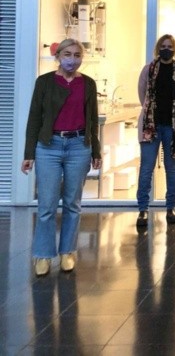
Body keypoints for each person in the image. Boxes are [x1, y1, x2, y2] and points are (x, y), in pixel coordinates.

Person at [22, 38, 102, 276]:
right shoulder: (44, 82)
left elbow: (92, 119)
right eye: (67, 54)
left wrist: (95, 150)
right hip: (49, 146)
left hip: (78, 146)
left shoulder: (88, 84)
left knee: (72, 203)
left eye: (77, 55)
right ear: (58, 56)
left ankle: (68, 252)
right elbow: (34, 118)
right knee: (46, 204)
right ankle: (43, 255)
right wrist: (29, 153)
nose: (72, 60)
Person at [136, 34, 175, 228]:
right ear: (158, 49)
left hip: (173, 128)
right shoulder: (148, 70)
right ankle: (142, 209)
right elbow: (142, 95)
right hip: (151, 127)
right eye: (163, 46)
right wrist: (150, 113)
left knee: (172, 169)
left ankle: (170, 208)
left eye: (169, 46)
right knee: (146, 168)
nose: (166, 49)